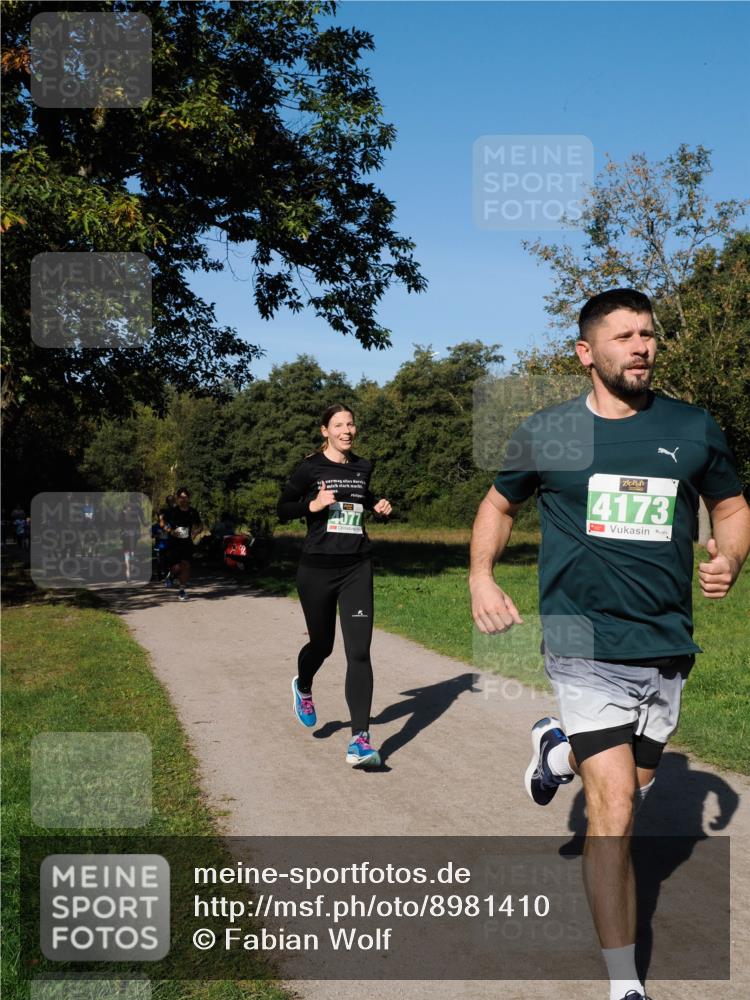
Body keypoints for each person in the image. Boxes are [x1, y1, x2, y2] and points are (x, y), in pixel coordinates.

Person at [469, 288, 750, 1000]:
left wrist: (731, 556)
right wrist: (480, 575)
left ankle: (556, 752)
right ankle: (626, 984)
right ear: (585, 353)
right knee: (616, 808)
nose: (642, 346)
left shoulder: (691, 427)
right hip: (581, 640)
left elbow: (730, 504)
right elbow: (499, 504)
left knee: (641, 786)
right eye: (624, 336)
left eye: (647, 333)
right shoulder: (550, 432)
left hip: (666, 642)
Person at [277, 403, 392, 767]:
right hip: (317, 569)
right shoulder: (310, 467)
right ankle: (303, 685)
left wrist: (378, 505)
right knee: (322, 646)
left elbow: (361, 497)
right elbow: (283, 507)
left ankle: (360, 740)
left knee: (359, 652)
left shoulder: (363, 467)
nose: (347, 430)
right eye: (339, 425)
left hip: (357, 566)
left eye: (351, 424)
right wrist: (312, 505)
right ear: (324, 431)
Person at [164, 487, 201, 601]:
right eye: (181, 497)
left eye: (185, 497)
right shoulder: (172, 511)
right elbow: (164, 525)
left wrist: (195, 532)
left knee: (186, 565)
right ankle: (171, 575)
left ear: (188, 498)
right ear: (178, 498)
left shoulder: (192, 511)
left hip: (187, 542)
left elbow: (199, 525)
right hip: (174, 542)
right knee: (177, 567)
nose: (183, 499)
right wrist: (171, 531)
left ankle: (182, 590)